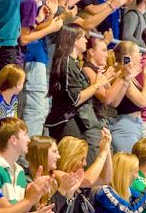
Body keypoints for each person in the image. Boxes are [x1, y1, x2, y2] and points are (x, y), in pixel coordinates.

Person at [45, 27, 113, 162]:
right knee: (70, 162)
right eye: (82, 37)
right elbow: (75, 98)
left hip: (75, 120)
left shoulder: (74, 63)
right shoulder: (66, 62)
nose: (86, 40)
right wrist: (97, 84)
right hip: (66, 121)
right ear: (74, 40)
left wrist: (99, 81)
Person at [19, 0, 63, 137]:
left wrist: (48, 16)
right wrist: (51, 27)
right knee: (36, 111)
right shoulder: (29, 0)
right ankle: (30, 149)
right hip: (33, 59)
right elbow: (24, 38)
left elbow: (32, 28)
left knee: (42, 110)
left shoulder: (32, 1)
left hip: (37, 58)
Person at [108, 41, 146, 154]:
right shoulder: (122, 75)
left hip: (135, 124)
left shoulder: (131, 77)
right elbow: (142, 102)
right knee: (127, 163)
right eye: (138, 53)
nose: (141, 56)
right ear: (128, 57)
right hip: (125, 127)